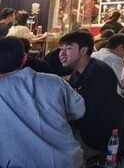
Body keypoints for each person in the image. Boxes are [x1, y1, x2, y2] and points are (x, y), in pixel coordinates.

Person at [0, 36, 85, 167]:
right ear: (24, 58)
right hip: (67, 160)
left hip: (21, 163)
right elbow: (79, 110)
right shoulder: (54, 81)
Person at [59, 30, 124, 158]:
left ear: (83, 50)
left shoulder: (98, 72)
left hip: (95, 138)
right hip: (84, 130)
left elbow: (84, 110)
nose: (62, 53)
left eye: (69, 48)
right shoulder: (77, 72)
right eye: (61, 49)